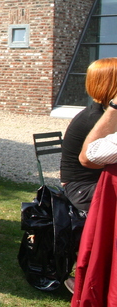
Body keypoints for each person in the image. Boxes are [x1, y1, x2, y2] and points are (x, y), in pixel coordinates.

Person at [72, 93, 117, 304]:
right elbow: (88, 158)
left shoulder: (105, 117)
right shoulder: (90, 117)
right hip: (81, 188)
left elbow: (94, 154)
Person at [61, 58, 117, 213]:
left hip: (92, 184)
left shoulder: (103, 114)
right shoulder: (95, 118)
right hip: (81, 189)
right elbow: (95, 161)